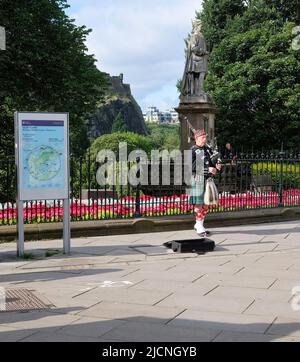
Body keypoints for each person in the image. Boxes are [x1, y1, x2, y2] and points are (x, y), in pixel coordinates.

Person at [189, 129, 222, 236]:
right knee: (199, 203)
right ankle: (199, 226)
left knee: (207, 203)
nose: (205, 139)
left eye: (205, 137)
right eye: (203, 138)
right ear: (197, 139)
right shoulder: (192, 151)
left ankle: (199, 224)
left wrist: (217, 164)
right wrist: (208, 170)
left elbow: (213, 160)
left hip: (208, 179)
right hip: (198, 178)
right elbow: (191, 168)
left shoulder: (207, 149)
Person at [181, 21, 209, 97]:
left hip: (201, 59)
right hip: (196, 59)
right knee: (197, 75)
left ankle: (199, 91)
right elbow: (193, 48)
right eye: (201, 26)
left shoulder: (201, 36)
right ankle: (198, 91)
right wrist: (202, 51)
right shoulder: (195, 36)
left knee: (202, 74)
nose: (202, 27)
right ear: (197, 26)